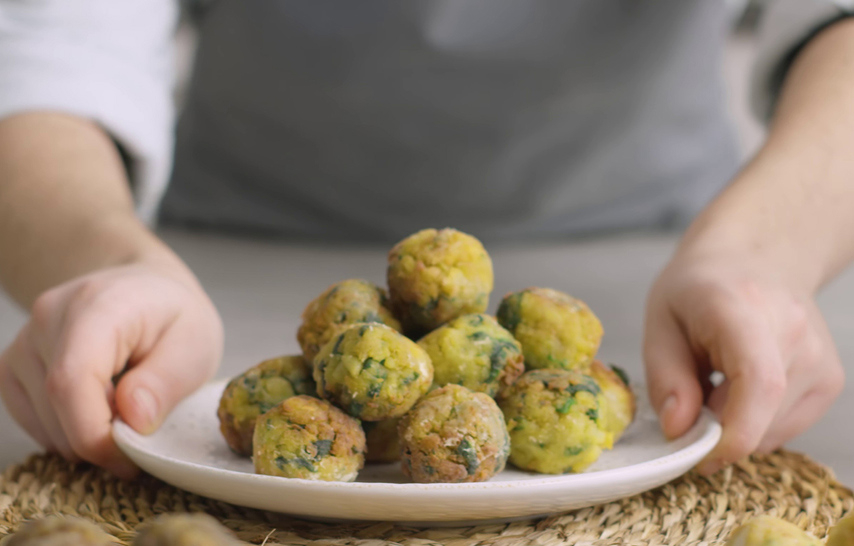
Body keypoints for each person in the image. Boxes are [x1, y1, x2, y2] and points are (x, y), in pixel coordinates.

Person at [0, 0, 850, 479]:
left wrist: (763, 253)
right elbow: (52, 44)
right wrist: (106, 260)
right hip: (219, 259)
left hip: (661, 258)